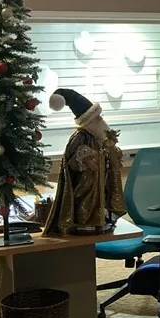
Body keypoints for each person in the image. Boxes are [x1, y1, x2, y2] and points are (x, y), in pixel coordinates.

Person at [43, 88, 126, 235]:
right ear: (88, 122)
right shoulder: (80, 136)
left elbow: (111, 151)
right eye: (96, 118)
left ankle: (100, 221)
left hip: (100, 179)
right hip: (86, 180)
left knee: (101, 198)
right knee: (86, 200)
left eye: (100, 116)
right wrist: (86, 158)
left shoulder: (99, 135)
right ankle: (84, 223)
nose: (100, 120)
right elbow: (72, 157)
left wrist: (112, 148)